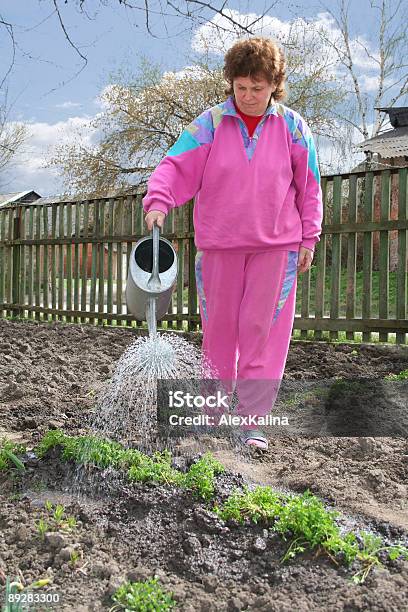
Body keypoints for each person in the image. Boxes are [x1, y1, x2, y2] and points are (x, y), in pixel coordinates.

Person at [143, 37, 323, 450]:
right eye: (241, 87)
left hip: (277, 247)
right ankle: (210, 415)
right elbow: (174, 165)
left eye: (257, 88)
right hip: (220, 246)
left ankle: (252, 422)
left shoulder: (294, 127)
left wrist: (309, 236)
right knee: (219, 332)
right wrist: (159, 202)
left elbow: (309, 186)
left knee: (262, 331)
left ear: (274, 84)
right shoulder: (209, 124)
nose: (248, 96)